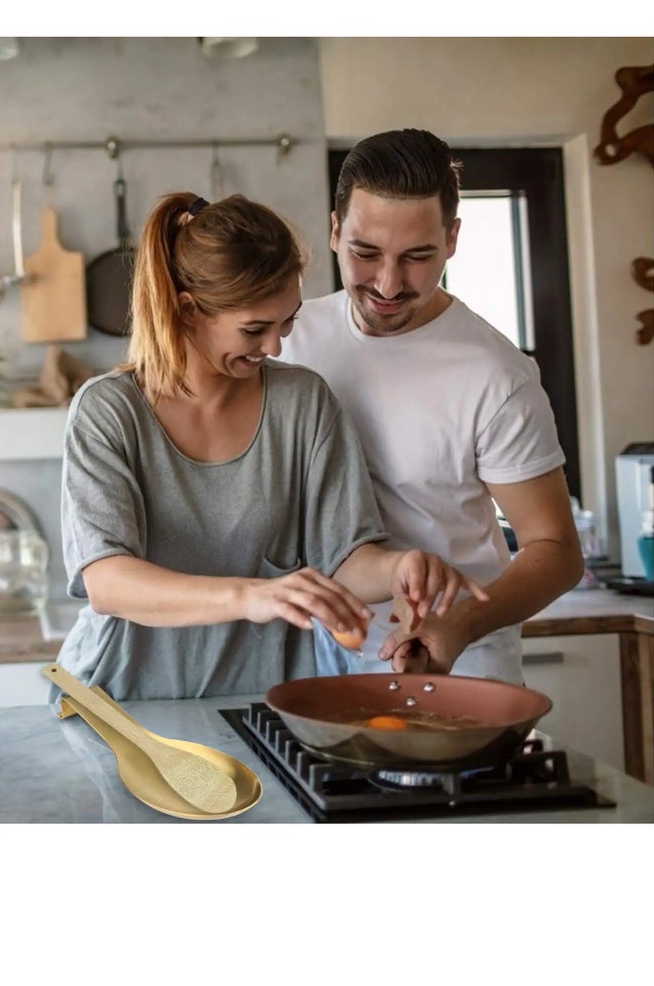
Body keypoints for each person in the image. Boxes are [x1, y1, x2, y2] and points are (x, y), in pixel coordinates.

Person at [51, 190, 487, 703]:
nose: (275, 347)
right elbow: (108, 582)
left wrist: (400, 568)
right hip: (125, 704)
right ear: (188, 310)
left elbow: (343, 559)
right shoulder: (108, 412)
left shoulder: (302, 402)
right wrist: (251, 594)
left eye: (287, 323)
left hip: (267, 702)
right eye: (255, 329)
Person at [280, 129, 584, 685]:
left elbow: (557, 549)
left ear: (452, 240)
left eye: (417, 257)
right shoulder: (292, 340)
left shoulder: (495, 375)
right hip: (310, 663)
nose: (389, 284)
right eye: (365, 254)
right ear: (333, 231)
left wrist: (463, 623)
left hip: (457, 667)